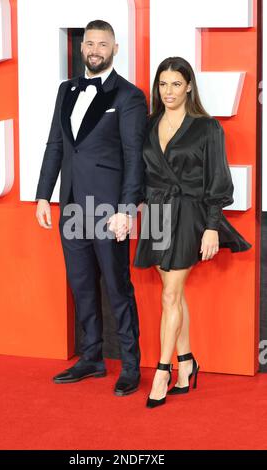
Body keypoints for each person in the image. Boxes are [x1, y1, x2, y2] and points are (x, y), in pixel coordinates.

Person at [35, 20, 147, 396]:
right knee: (81, 285)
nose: (95, 49)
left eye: (103, 43)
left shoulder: (128, 96)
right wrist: (42, 195)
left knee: (118, 287)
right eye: (89, 43)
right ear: (81, 49)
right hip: (70, 206)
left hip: (109, 211)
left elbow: (134, 157)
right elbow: (56, 145)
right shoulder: (65, 89)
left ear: (115, 49)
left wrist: (126, 209)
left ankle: (130, 366)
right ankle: (92, 358)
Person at [134, 57, 251, 408]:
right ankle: (188, 364)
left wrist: (212, 227)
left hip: (189, 214)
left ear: (188, 86)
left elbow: (219, 181)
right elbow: (142, 173)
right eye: (162, 84)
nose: (168, 91)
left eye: (175, 84)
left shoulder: (207, 128)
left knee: (170, 296)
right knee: (175, 294)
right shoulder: (149, 124)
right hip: (155, 212)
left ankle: (162, 371)